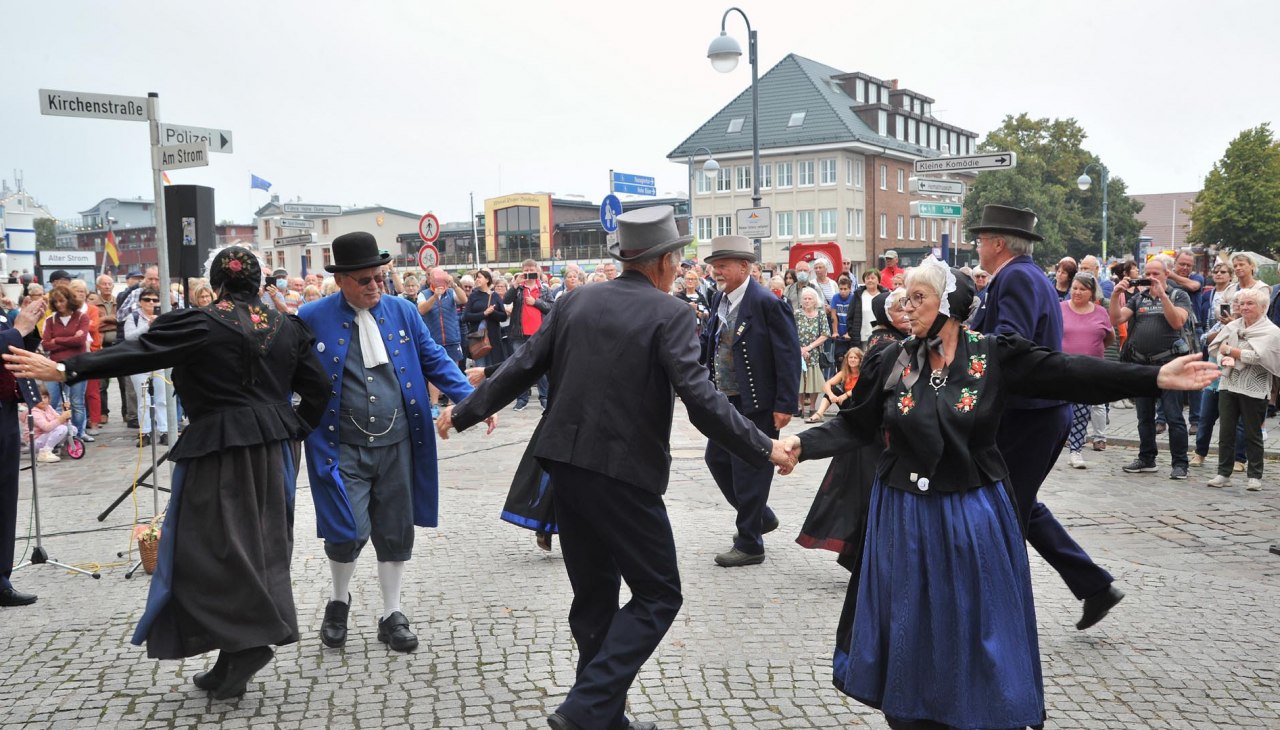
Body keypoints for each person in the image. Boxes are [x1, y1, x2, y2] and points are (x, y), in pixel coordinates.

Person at [779, 257, 1216, 730]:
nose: (905, 306)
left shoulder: (992, 355)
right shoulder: (892, 358)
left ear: (950, 305)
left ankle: (972, 707)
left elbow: (1069, 372)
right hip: (902, 515)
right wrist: (803, 444)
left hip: (971, 514)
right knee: (908, 620)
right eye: (904, 297)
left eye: (918, 297)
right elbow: (856, 422)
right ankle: (907, 711)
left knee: (971, 623)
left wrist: (1152, 378)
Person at [437, 205, 792, 730]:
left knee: (594, 598)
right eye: (678, 259)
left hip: (564, 464)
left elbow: (521, 366)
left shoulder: (577, 299)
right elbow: (700, 399)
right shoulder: (671, 313)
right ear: (665, 261)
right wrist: (765, 446)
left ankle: (605, 718)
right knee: (659, 593)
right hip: (623, 473)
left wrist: (463, 412)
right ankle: (585, 710)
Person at [6, 246, 330, 697]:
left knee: (200, 552)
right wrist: (292, 429)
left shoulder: (203, 321)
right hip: (275, 450)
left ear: (215, 283)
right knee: (262, 547)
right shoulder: (286, 326)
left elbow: (140, 353)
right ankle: (235, 652)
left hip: (220, 449)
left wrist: (66, 368)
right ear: (258, 284)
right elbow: (320, 388)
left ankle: (247, 642)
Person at [297, 231, 485, 655]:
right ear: (342, 279)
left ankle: (391, 613)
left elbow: (434, 358)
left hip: (401, 441)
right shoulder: (311, 316)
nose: (375, 285)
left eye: (379, 277)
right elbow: (288, 374)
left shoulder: (401, 311)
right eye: (365, 279)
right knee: (347, 529)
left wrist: (474, 401)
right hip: (341, 445)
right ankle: (339, 601)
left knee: (395, 529)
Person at [970, 204, 1125, 630]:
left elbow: (1010, 340)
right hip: (1033, 412)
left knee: (1004, 511)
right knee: (1018, 503)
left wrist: (962, 342)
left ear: (999, 243)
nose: (978, 245)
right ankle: (1094, 585)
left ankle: (1000, 615)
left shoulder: (1018, 276)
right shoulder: (1022, 274)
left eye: (981, 239)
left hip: (1028, 414)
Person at [702, 235, 802, 567]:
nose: (717, 270)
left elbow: (788, 354)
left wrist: (785, 403)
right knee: (716, 459)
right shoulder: (720, 298)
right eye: (715, 265)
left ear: (745, 267)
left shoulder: (766, 302)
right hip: (724, 399)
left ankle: (750, 543)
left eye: (723, 265)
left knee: (750, 471)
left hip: (756, 401)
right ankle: (760, 517)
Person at [1110, 254, 1195, 478]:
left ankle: (1180, 464)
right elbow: (1116, 319)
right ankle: (1147, 458)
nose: (1150, 278)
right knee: (1144, 416)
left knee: (1174, 415)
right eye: (1147, 274)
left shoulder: (1179, 295)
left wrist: (1162, 297)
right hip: (1142, 364)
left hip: (1169, 363)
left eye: (1155, 274)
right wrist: (1116, 294)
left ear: (1167, 274)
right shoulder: (1138, 299)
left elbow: (1177, 321)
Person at [1207, 288, 1280, 491]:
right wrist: (1224, 358)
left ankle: (1255, 475)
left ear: (1263, 307)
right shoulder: (1232, 326)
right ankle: (1223, 473)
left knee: (1252, 433)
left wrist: (1232, 351)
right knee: (1226, 431)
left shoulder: (1271, 331)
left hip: (1255, 387)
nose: (1244, 307)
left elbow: (1260, 357)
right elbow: (1214, 348)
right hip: (1229, 383)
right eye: (1242, 303)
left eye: (1250, 303)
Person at [1, 300, 44, 607]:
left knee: (5, 498)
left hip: (4, 411)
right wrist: (17, 331)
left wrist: (28, 330)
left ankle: (2, 579)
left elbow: (15, 349)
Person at [1060, 273, 1115, 468]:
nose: (1077, 292)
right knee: (1060, 412)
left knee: (1082, 412)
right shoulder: (1061, 308)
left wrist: (1093, 349)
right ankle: (1053, 445)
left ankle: (1076, 450)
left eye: (1082, 289)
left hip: (1089, 370)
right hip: (1063, 368)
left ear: (1091, 292)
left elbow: (1109, 338)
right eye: (1074, 288)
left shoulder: (1100, 312)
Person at [41, 284, 91, 444]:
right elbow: (46, 344)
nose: (59, 305)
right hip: (55, 365)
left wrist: (58, 340)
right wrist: (69, 339)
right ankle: (58, 434)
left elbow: (80, 341)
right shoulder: (51, 320)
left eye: (62, 301)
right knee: (53, 401)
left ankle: (78, 433)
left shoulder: (82, 317)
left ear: (69, 300)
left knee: (76, 401)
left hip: (77, 364)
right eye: (55, 302)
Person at [506, 259, 552, 411]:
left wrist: (536, 302)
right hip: (519, 334)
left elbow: (552, 308)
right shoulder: (518, 288)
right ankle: (522, 399)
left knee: (541, 368)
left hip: (539, 334)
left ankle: (544, 397)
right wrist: (515, 285)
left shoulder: (544, 289)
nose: (528, 271)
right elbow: (505, 300)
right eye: (525, 269)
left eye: (531, 268)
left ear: (537, 270)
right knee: (520, 368)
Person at [796, 288, 830, 420]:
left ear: (815, 300)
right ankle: (800, 407)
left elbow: (825, 334)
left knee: (814, 380)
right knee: (800, 379)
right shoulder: (797, 313)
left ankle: (812, 407)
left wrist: (809, 348)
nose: (807, 301)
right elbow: (790, 332)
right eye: (805, 298)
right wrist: (800, 349)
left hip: (815, 353)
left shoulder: (821, 314)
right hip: (798, 352)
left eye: (810, 298)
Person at [463, 269, 508, 368]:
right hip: (478, 338)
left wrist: (492, 313)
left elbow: (503, 316)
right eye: (476, 278)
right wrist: (484, 313)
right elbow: (465, 316)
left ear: (487, 279)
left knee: (493, 369)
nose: (477, 280)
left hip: (493, 338)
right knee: (480, 368)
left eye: (479, 277)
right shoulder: (473, 296)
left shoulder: (495, 296)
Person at [809, 347, 862, 422]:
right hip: (847, 404)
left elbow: (860, 389)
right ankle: (819, 414)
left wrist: (846, 395)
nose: (852, 360)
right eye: (850, 357)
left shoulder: (864, 373)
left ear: (860, 360)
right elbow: (826, 384)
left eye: (855, 358)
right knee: (832, 389)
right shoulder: (843, 373)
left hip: (859, 405)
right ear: (847, 360)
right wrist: (831, 395)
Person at [676, 268, 711, 363]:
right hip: (685, 331)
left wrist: (696, 312)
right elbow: (675, 315)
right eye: (687, 279)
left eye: (692, 279)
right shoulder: (678, 297)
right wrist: (688, 309)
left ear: (697, 281)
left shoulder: (701, 297)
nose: (690, 281)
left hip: (699, 331)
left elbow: (708, 316)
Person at [846, 269, 881, 350]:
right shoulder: (858, 295)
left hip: (880, 337)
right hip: (862, 337)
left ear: (878, 280)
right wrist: (853, 333)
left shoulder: (884, 294)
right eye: (867, 278)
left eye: (873, 278)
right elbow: (850, 316)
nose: (870, 280)